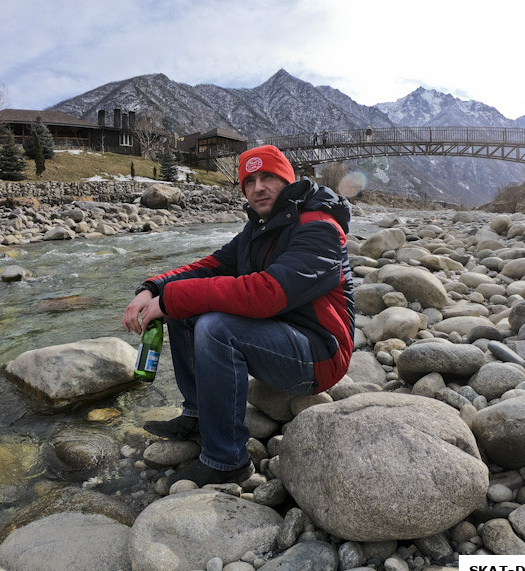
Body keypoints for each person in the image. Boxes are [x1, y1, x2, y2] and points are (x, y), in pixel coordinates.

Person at [122, 145, 355, 488]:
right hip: (279, 337)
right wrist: (154, 289)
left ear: (287, 180)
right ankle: (199, 417)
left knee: (215, 328)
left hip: (320, 354)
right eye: (250, 180)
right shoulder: (259, 229)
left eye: (268, 178)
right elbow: (209, 267)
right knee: (186, 311)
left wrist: (171, 300)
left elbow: (268, 293)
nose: (258, 187)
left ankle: (227, 460)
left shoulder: (319, 228)